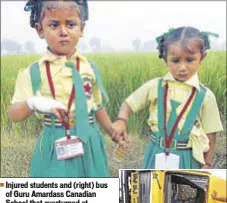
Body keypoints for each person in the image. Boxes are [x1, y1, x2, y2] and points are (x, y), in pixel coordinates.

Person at [8, 0, 113, 177]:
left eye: (71, 24)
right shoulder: (33, 72)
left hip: (89, 141)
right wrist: (34, 103)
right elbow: (14, 114)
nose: (63, 31)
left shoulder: (90, 68)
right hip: (53, 142)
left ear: (82, 28)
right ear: (40, 30)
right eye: (54, 25)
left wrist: (112, 130)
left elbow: (97, 106)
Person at [111, 27, 223, 169]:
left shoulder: (206, 96)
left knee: (183, 191)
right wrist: (121, 121)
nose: (182, 67)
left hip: (188, 156)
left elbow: (211, 134)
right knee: (151, 189)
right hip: (156, 151)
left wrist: (207, 164)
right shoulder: (154, 86)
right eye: (175, 61)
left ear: (202, 58)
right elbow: (128, 104)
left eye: (190, 60)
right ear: (165, 59)